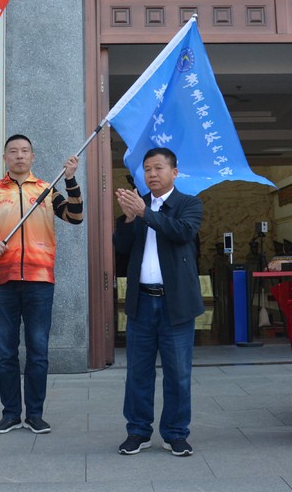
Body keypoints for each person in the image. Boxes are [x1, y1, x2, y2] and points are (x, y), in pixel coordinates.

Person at [0, 134, 83, 434]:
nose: (19, 156)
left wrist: (70, 180)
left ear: (33, 157)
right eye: (13, 151)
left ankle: (34, 413)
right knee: (6, 352)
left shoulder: (46, 190)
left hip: (39, 281)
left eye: (25, 151)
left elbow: (75, 216)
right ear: (5, 157)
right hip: (2, 281)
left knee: (38, 351)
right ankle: (9, 413)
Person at [113, 147, 204, 457]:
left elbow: (182, 232)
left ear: (174, 172)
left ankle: (176, 433)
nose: (151, 174)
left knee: (178, 373)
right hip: (142, 303)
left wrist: (144, 213)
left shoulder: (188, 204)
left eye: (158, 168)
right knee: (138, 372)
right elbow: (121, 248)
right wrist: (127, 219)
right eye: (147, 169)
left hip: (175, 305)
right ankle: (137, 432)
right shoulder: (138, 208)